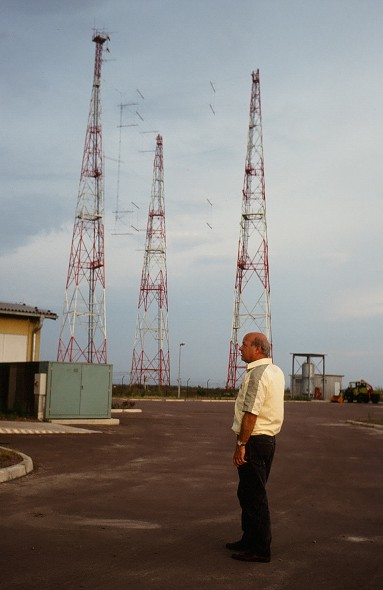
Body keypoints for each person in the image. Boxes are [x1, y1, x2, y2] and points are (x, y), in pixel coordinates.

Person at [227, 332, 285, 563]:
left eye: (244, 345)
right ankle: (249, 538)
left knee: (254, 495)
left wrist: (241, 444)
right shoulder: (275, 371)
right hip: (267, 440)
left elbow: (251, 412)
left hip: (255, 440)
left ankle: (260, 548)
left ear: (258, 349)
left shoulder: (257, 374)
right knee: (247, 491)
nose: (240, 348)